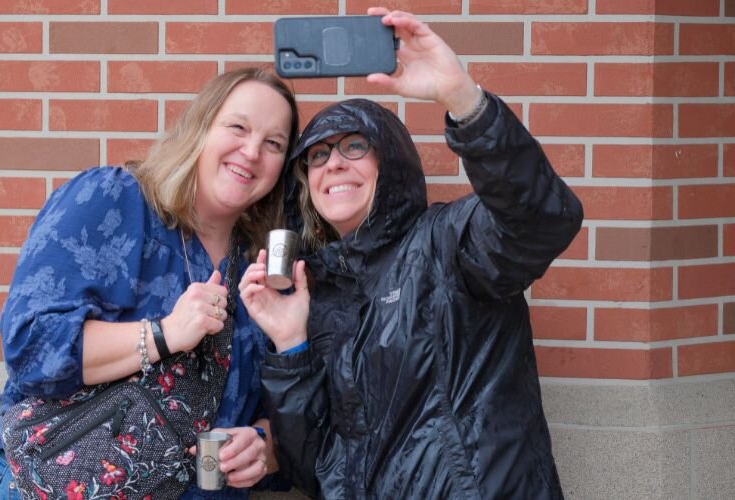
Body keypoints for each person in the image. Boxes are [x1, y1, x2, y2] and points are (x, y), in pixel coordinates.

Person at [238, 8, 584, 499]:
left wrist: (462, 97)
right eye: (318, 155)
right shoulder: (316, 291)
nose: (334, 162)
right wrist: (291, 343)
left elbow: (542, 220)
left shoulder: (446, 244)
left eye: (355, 146)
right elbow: (315, 468)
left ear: (391, 161)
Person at [0, 67, 299, 499]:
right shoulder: (115, 201)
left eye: (273, 144)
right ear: (200, 129)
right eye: (238, 127)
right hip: (51, 485)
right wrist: (164, 333)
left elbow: (284, 407)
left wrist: (263, 447)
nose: (251, 151)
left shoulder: (262, 268)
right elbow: (31, 345)